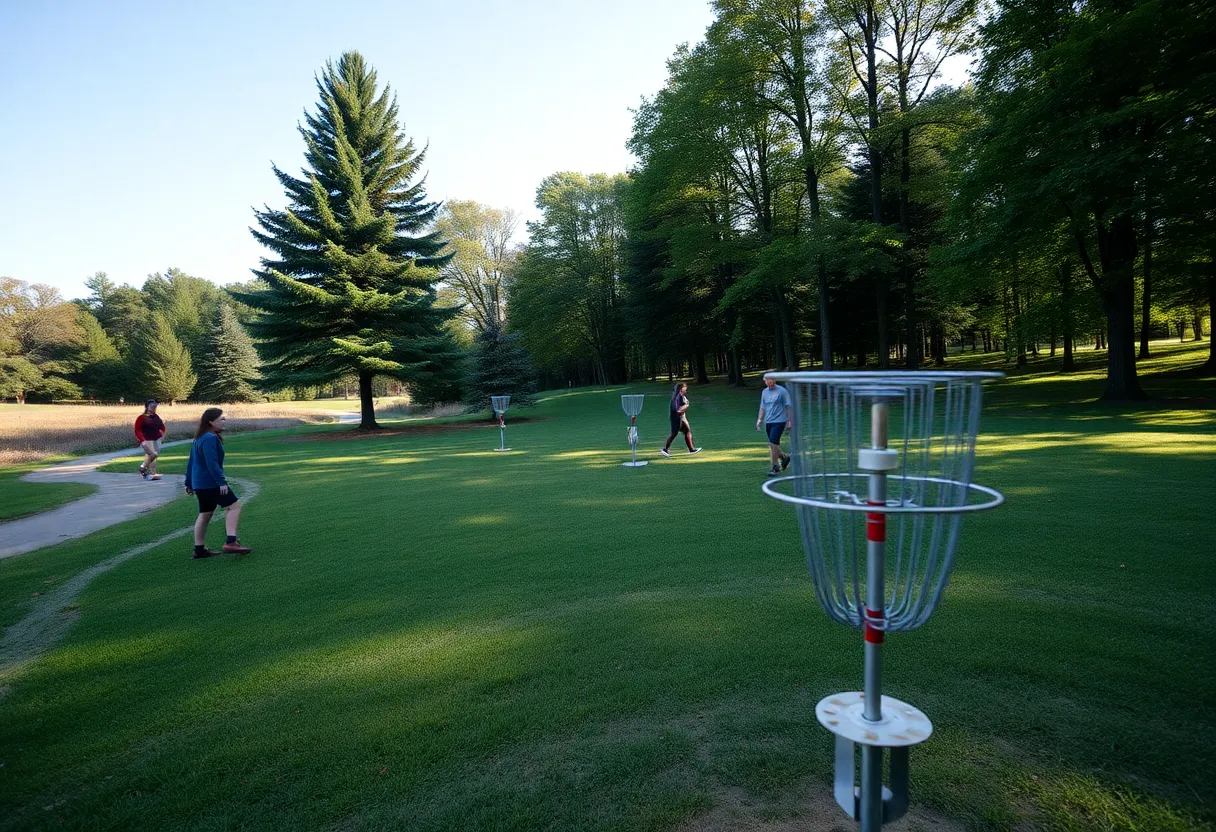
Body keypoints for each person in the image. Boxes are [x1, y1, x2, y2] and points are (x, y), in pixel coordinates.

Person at [184, 407, 252, 558]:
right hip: (210, 483)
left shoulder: (200, 438)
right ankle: (231, 542)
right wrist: (221, 482)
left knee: (205, 514)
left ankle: (199, 549)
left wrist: (188, 482)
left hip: (200, 484)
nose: (224, 421)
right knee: (234, 506)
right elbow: (212, 463)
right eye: (221, 418)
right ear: (211, 421)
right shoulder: (209, 438)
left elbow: (192, 462)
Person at [756, 373, 792, 477]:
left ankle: (775, 468)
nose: (770, 383)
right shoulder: (764, 392)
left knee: (772, 444)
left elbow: (788, 406)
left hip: (780, 421)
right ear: (765, 381)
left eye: (771, 381)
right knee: (774, 445)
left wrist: (789, 421)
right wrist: (759, 420)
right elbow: (762, 408)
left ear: (775, 380)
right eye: (767, 382)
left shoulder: (782, 391)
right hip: (769, 422)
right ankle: (785, 458)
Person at [660, 382, 702, 457]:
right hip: (677, 418)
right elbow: (677, 410)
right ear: (681, 388)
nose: (686, 390)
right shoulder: (677, 396)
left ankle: (691, 449)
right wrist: (686, 405)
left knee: (687, 431)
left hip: (681, 418)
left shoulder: (680, 395)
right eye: (685, 387)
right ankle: (665, 450)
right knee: (674, 433)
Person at [134, 399, 166, 481]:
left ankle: (153, 473)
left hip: (156, 439)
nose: (154, 409)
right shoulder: (142, 418)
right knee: (153, 454)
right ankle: (143, 467)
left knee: (154, 457)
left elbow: (162, 427)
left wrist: (162, 433)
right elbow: (137, 430)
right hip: (147, 439)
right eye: (152, 407)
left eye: (155, 407)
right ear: (147, 407)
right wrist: (142, 441)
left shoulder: (156, 417)